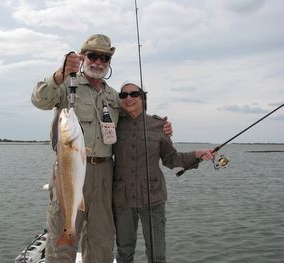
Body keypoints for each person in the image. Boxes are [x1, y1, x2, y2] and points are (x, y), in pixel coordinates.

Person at [31, 34, 172, 263]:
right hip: (71, 168)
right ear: (83, 57)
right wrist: (60, 74)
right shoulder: (67, 85)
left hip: (106, 173)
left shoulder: (113, 96)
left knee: (102, 242)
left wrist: (161, 125)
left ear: (109, 63)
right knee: (62, 236)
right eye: (93, 56)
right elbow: (39, 100)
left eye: (104, 58)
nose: (98, 62)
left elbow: (135, 117)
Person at [113, 82, 215, 263]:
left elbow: (171, 159)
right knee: (124, 253)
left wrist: (197, 155)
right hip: (122, 199)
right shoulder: (113, 124)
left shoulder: (160, 125)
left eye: (134, 94)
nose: (129, 98)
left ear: (143, 98)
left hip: (153, 198)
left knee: (157, 255)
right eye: (124, 95)